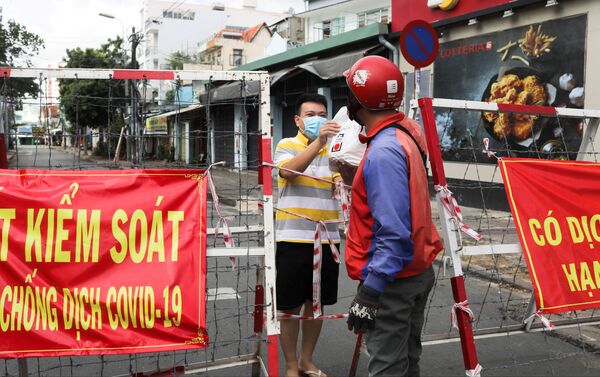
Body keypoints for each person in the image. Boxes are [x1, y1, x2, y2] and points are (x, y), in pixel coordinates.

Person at [342, 56, 444, 376]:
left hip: (393, 281)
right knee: (406, 360)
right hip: (416, 270)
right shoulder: (406, 131)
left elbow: (393, 232)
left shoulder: (384, 151)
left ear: (359, 101)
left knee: (388, 367)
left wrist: (370, 291)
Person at [273, 94, 342, 377]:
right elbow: (288, 172)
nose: (318, 119)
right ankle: (290, 365)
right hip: (292, 238)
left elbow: (344, 184)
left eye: (322, 114)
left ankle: (306, 361)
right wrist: (318, 143)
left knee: (316, 305)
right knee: (289, 306)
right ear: (298, 120)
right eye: (311, 114)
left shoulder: (336, 151)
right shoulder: (286, 145)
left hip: (327, 239)